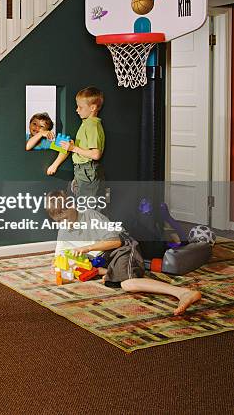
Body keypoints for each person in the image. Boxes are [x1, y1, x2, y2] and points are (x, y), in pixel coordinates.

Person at [46, 191, 202, 316]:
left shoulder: (89, 215)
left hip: (121, 247)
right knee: (78, 268)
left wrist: (87, 248)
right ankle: (108, 272)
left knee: (128, 284)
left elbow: (116, 242)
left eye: (65, 219)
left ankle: (183, 293)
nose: (63, 224)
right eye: (59, 222)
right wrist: (56, 264)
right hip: (102, 258)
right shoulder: (64, 229)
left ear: (72, 206)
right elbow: (59, 256)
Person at [59, 87, 105, 198]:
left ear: (93, 108)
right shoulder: (87, 123)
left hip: (87, 170)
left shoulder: (92, 125)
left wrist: (73, 148)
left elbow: (96, 154)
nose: (77, 110)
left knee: (87, 207)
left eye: (80, 107)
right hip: (81, 170)